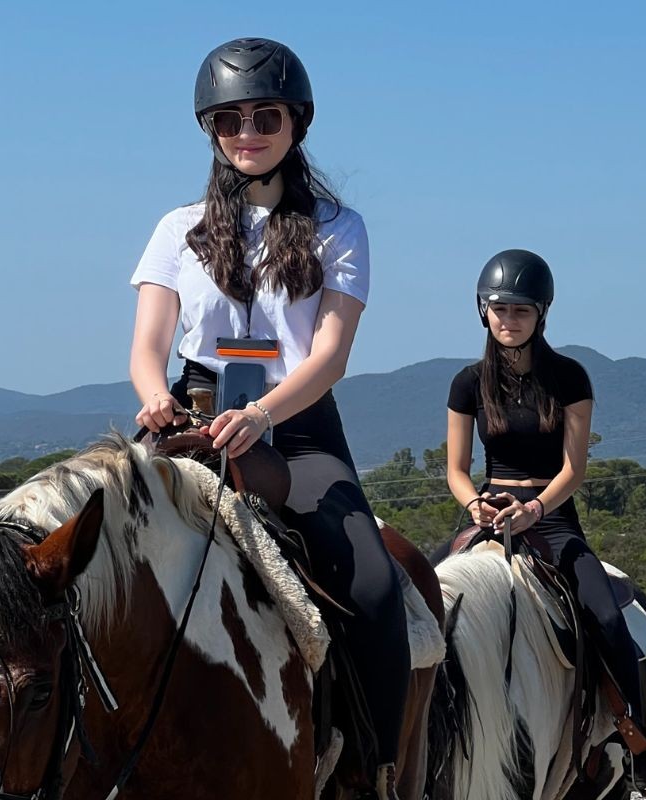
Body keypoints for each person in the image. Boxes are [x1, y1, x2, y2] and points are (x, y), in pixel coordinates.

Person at [128, 37, 407, 799]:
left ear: (296, 122)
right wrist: (153, 393)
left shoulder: (338, 228)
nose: (247, 132)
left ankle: (372, 767)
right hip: (188, 415)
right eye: (229, 119)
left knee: (377, 585)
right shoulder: (175, 229)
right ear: (210, 130)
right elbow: (148, 345)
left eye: (265, 115)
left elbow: (330, 355)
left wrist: (261, 412)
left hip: (299, 427)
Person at [433, 249, 646, 797]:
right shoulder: (467, 383)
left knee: (607, 616)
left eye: (520, 310)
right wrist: (477, 505)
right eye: (497, 309)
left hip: (551, 517)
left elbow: (574, 468)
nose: (508, 320)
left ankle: (636, 742)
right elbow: (455, 469)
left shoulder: (569, 377)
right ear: (483, 312)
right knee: (425, 606)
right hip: (487, 514)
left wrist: (535, 509)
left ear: (541, 314)